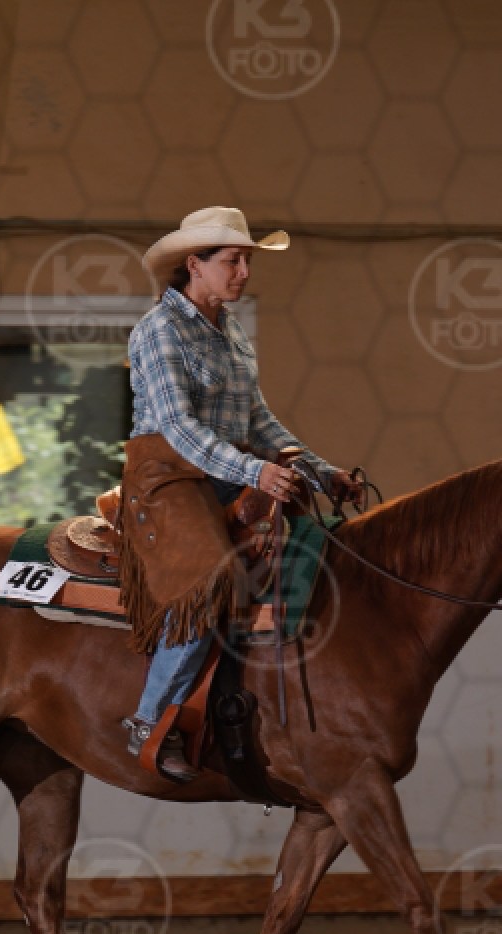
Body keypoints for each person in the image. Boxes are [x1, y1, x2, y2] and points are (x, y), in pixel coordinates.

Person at [121, 206, 360, 782]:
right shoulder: (158, 329)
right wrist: (255, 472)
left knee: (317, 541)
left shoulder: (232, 330)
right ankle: (148, 720)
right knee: (212, 577)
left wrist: (319, 470)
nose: (244, 272)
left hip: (228, 468)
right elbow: (177, 427)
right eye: (233, 261)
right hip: (167, 476)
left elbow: (258, 419)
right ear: (194, 264)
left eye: (247, 261)